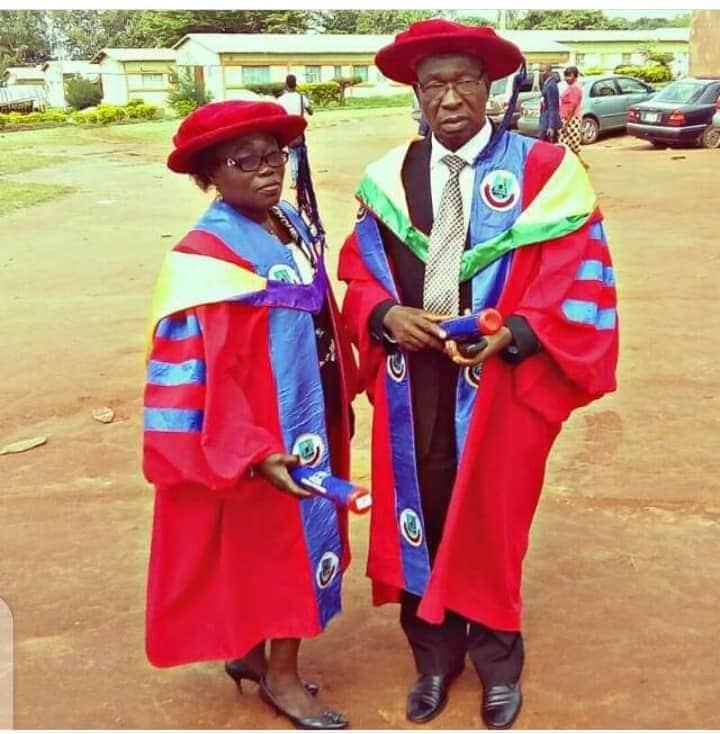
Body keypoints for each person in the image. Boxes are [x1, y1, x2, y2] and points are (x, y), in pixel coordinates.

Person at [338, 18, 618, 730]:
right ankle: (433, 659)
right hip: (413, 381)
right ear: (417, 94)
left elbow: (576, 276)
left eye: (465, 80)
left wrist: (516, 333)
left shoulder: (545, 171)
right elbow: (359, 275)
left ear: (491, 88)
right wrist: (382, 318)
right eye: (435, 84)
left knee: (492, 516)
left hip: (498, 382)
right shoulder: (388, 179)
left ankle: (498, 661)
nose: (451, 97)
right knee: (422, 509)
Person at [143, 99, 356, 730]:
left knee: (271, 547)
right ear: (210, 176)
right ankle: (283, 679)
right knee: (275, 550)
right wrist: (252, 447)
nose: (269, 172)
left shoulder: (286, 221)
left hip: (313, 411)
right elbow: (202, 371)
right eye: (246, 161)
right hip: (264, 437)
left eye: (276, 156)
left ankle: (250, 656)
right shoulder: (205, 257)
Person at [277, 74, 313, 188]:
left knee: (292, 155)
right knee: (301, 154)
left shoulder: (281, 100)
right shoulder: (301, 98)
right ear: (295, 84)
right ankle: (304, 178)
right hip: (299, 131)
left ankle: (295, 180)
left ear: (286, 85)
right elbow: (311, 111)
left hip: (288, 131)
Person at [558, 66, 589, 170]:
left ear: (575, 76)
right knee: (569, 145)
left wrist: (566, 123)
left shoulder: (575, 88)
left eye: (569, 76)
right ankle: (579, 165)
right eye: (566, 76)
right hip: (568, 118)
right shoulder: (572, 87)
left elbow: (572, 106)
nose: (567, 78)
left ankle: (580, 165)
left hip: (571, 119)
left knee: (568, 145)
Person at [538, 63, 561, 143]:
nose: (540, 73)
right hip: (545, 120)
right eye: (540, 71)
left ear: (549, 72)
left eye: (543, 71)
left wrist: (551, 127)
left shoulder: (551, 86)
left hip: (548, 123)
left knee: (544, 146)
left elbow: (552, 107)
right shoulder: (546, 84)